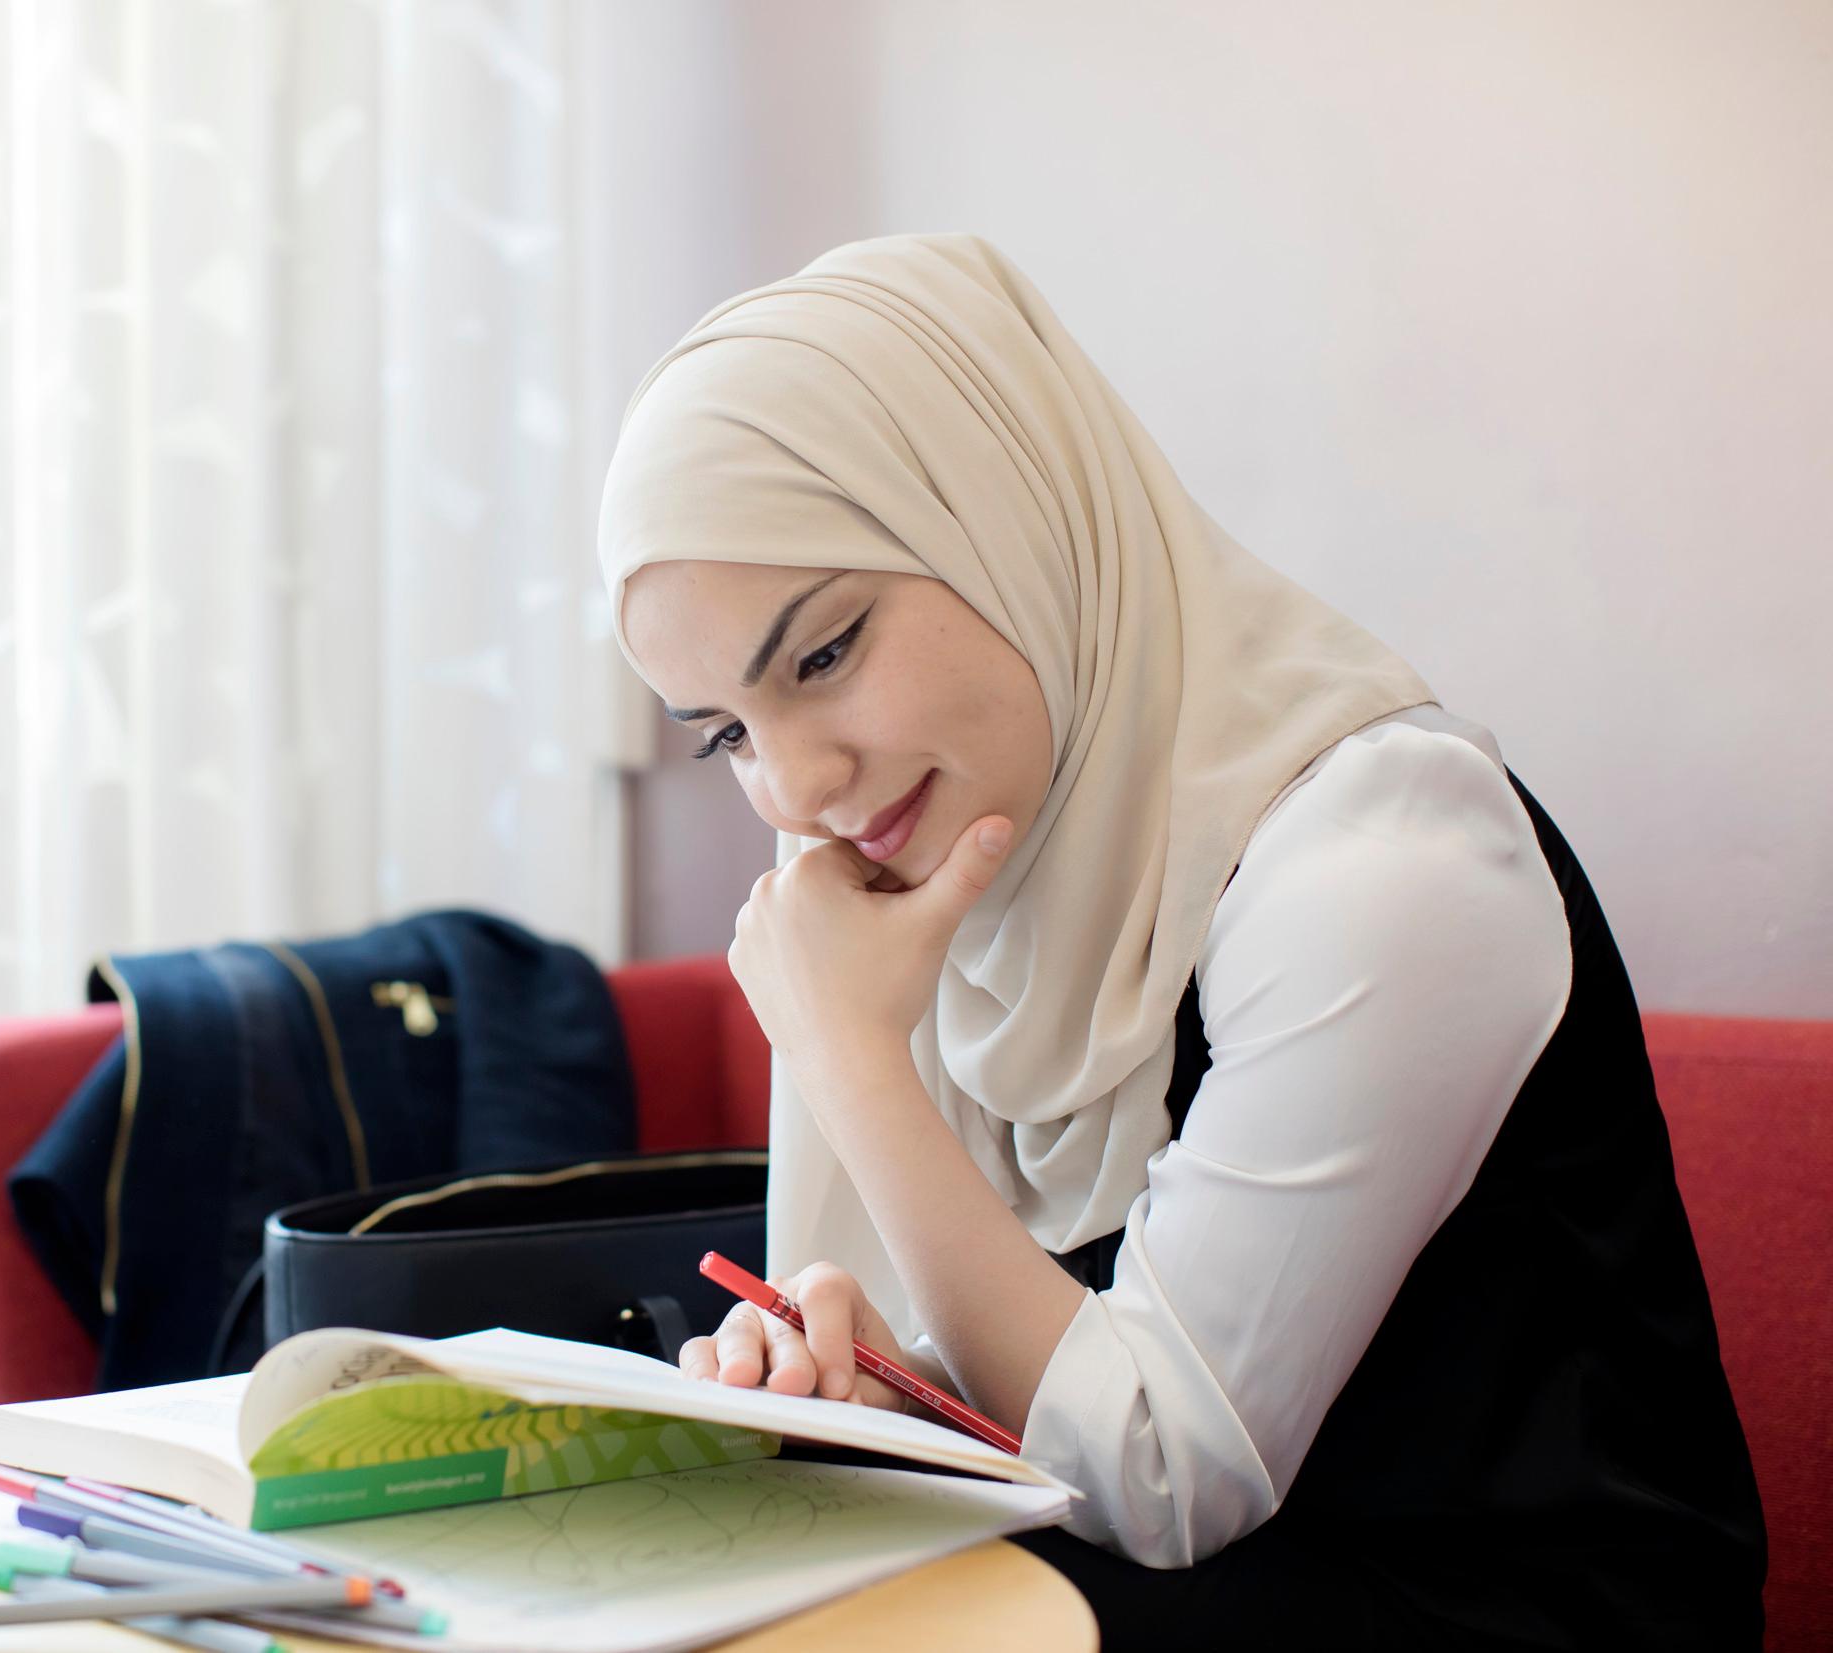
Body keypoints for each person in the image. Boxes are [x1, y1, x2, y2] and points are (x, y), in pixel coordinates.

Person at [596, 233, 1763, 1650]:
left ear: (1005, 516)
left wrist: (852, 1058)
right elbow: (1043, 1423)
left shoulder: (1387, 859)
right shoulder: (971, 894)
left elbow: (1158, 1468)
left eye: (826, 653)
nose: (795, 791)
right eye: (727, 732)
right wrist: (885, 1387)